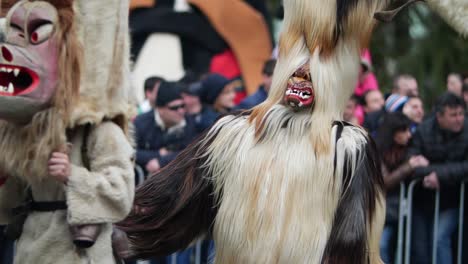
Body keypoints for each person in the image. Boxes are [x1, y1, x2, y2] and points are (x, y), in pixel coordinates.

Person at [408, 92, 468, 264]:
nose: (459, 119)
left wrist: (438, 174)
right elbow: (411, 163)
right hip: (424, 200)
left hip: (454, 200)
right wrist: (428, 172)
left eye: (461, 114)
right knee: (420, 249)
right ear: (439, 116)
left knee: (439, 237)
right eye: (453, 115)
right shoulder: (423, 130)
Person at [376, 112, 429, 263]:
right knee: (383, 245)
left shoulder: (411, 149)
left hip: (408, 208)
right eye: (404, 131)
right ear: (393, 133)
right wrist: (409, 167)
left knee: (413, 248)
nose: (409, 135)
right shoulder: (378, 151)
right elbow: (384, 182)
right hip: (385, 209)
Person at [134, 81, 197, 175]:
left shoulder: (189, 121)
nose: (181, 111)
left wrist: (162, 161)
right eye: (174, 108)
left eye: (182, 106)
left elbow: (192, 152)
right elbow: (131, 152)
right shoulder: (141, 123)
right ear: (160, 109)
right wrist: (158, 154)